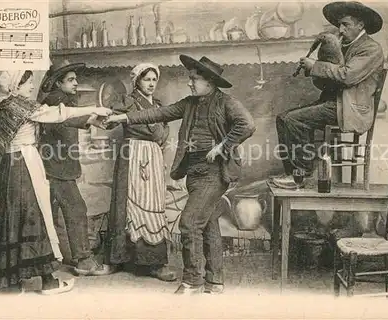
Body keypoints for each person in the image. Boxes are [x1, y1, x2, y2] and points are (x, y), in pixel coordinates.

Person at [105, 55, 256, 294]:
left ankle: (193, 281)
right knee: (208, 224)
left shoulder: (226, 102)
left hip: (214, 173)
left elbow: (247, 124)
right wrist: (124, 117)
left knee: (189, 223)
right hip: (194, 173)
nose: (190, 83)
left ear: (209, 81)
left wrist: (223, 146)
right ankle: (215, 281)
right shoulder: (189, 103)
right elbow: (159, 114)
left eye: (194, 79)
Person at [0, 70, 112, 294]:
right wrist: (94, 109)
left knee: (12, 218)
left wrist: (8, 149)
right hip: (27, 164)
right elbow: (59, 114)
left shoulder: (1, 109)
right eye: (28, 83)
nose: (32, 86)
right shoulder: (23, 106)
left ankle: (12, 282)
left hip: (9, 167)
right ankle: (48, 282)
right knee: (35, 215)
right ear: (16, 86)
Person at [271, 1, 384, 189]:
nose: (340, 29)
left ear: (360, 25)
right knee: (283, 118)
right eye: (339, 24)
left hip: (350, 109)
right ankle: (293, 173)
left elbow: (347, 76)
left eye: (345, 24)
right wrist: (316, 65)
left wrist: (315, 66)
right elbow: (330, 82)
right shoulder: (345, 45)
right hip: (336, 104)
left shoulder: (371, 49)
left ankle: (301, 176)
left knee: (293, 120)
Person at [37, 60, 112, 276]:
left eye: (75, 79)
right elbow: (66, 117)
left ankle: (52, 258)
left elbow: (70, 118)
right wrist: (92, 119)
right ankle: (83, 261)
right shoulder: (55, 100)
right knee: (76, 209)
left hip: (53, 165)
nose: (76, 83)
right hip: (56, 167)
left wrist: (93, 122)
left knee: (51, 213)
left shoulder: (60, 100)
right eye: (70, 80)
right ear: (57, 83)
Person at [103, 63, 176, 282]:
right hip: (132, 154)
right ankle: (116, 260)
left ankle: (154, 264)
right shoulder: (128, 101)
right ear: (137, 81)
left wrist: (160, 156)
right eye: (147, 79)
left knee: (152, 205)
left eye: (154, 79)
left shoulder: (160, 106)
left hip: (152, 157)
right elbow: (107, 122)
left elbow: (163, 135)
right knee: (125, 205)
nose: (151, 84)